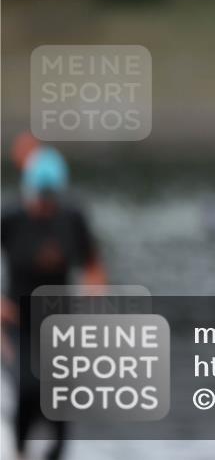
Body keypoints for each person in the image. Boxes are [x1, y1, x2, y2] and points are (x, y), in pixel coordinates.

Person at [1, 145, 106, 460]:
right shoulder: (11, 218)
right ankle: (18, 451)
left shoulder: (72, 218)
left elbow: (93, 265)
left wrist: (94, 298)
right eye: (38, 197)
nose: (43, 205)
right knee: (29, 388)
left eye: (50, 198)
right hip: (17, 319)